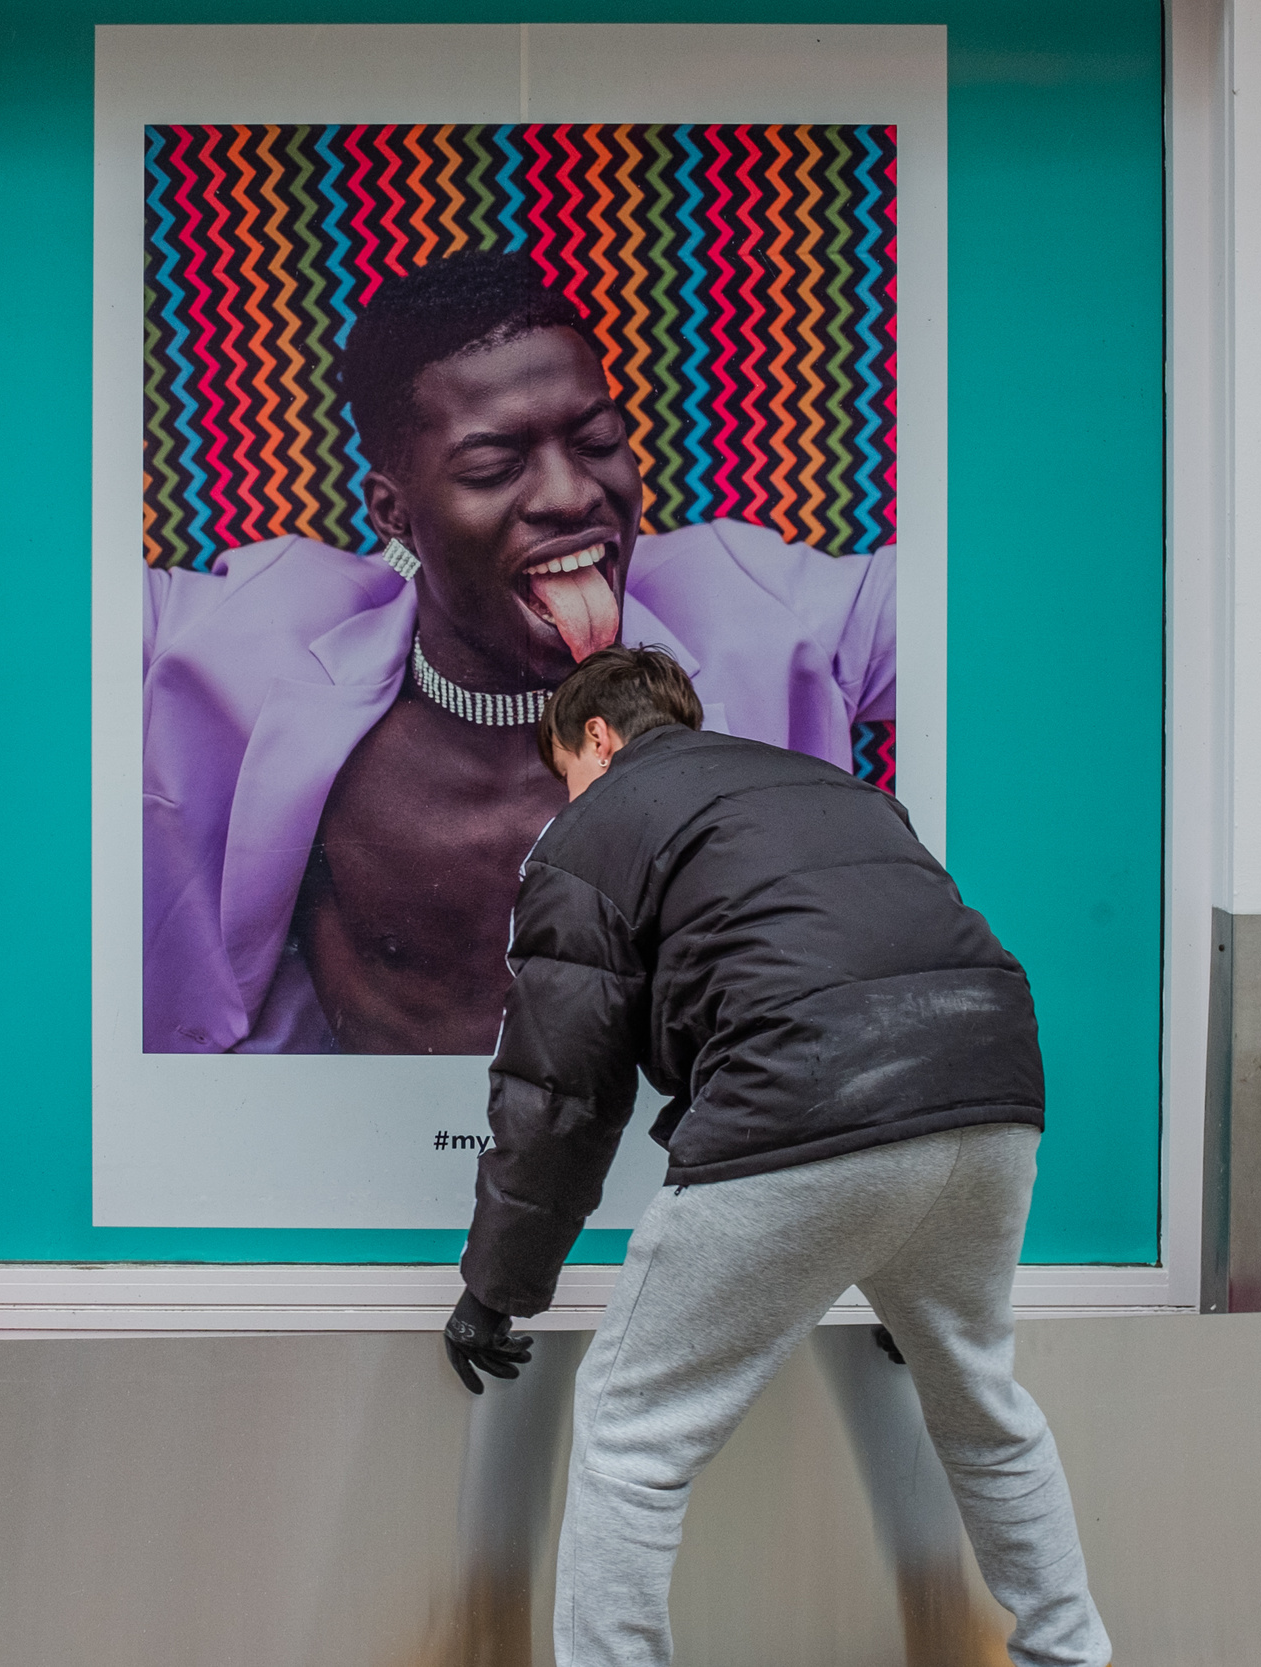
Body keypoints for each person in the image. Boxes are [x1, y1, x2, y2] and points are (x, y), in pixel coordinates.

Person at [442, 646, 1111, 1667]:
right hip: (990, 1093)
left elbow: (560, 1089)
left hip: (805, 1099)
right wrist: (912, 1265)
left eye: (563, 769)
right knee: (984, 1410)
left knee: (631, 1430)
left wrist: (498, 1286)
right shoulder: (831, 787)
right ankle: (1069, 1651)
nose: (565, 796)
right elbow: (890, 949)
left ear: (597, 737)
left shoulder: (597, 825)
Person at [143, 251, 895, 1055]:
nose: (571, 494)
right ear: (392, 514)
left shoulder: (753, 606)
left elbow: (972, 601)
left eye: (597, 440)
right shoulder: (251, 633)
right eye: (494, 467)